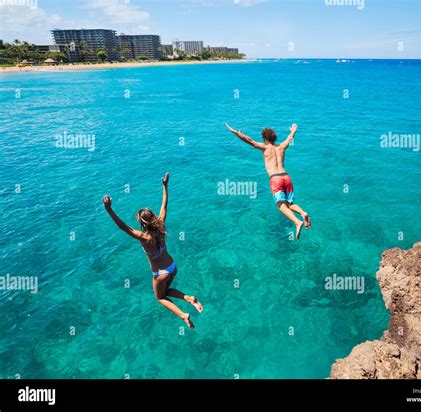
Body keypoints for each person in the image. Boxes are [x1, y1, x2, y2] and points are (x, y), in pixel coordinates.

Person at [102, 173, 202, 329]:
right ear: (153, 218)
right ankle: (189, 298)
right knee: (166, 291)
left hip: (160, 274)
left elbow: (123, 227)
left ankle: (184, 315)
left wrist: (109, 209)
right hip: (172, 267)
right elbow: (164, 205)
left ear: (142, 223)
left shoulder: (143, 237)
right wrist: (165, 186)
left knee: (160, 297)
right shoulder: (161, 225)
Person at [225, 123, 311, 239]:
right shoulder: (281, 146)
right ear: (274, 138)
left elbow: (249, 141)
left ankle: (297, 222)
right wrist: (293, 131)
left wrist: (236, 133)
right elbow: (289, 139)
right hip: (286, 177)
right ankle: (302, 213)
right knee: (290, 203)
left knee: (280, 204)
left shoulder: (265, 147)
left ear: (265, 138)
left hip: (275, 178)